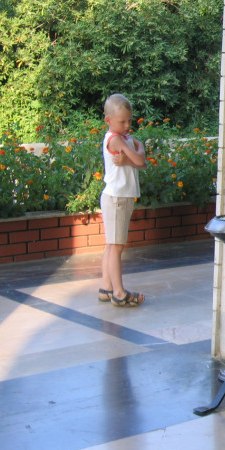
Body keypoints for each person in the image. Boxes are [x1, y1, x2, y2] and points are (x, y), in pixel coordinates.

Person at [97, 93, 147, 307]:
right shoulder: (115, 139)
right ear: (108, 120)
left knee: (112, 245)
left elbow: (142, 160)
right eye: (122, 121)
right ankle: (118, 292)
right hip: (117, 198)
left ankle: (106, 288)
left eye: (129, 120)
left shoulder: (126, 137)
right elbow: (140, 160)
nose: (127, 125)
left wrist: (131, 157)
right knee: (116, 247)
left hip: (120, 197)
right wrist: (134, 156)